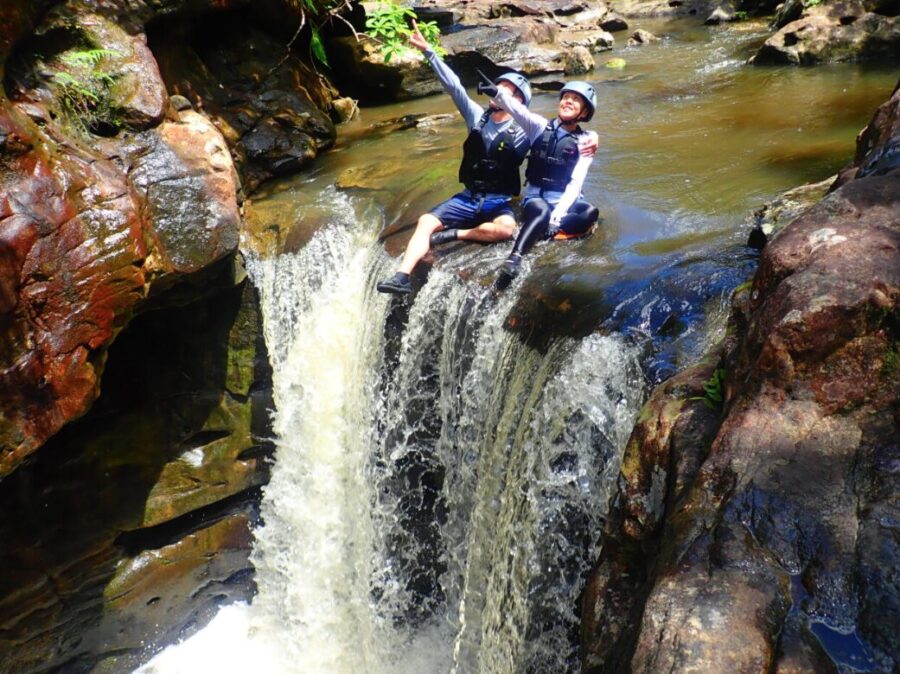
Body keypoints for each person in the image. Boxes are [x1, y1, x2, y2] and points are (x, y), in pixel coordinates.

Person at [376, 21, 535, 295]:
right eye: (497, 87)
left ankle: (456, 234)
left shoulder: (526, 130)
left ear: (518, 101)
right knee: (426, 222)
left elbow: (556, 136)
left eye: (506, 90)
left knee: (506, 231)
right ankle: (402, 276)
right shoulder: (476, 117)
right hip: (467, 198)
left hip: (499, 202)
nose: (496, 92)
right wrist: (429, 53)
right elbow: (454, 87)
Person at [487, 78, 601, 280]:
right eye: (566, 97)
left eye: (575, 100)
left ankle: (546, 232)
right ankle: (515, 257)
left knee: (590, 213)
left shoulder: (585, 141)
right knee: (541, 212)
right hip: (536, 197)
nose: (568, 101)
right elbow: (517, 109)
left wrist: (556, 219)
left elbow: (576, 182)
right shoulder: (538, 126)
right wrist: (498, 94)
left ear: (583, 113)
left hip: (563, 199)